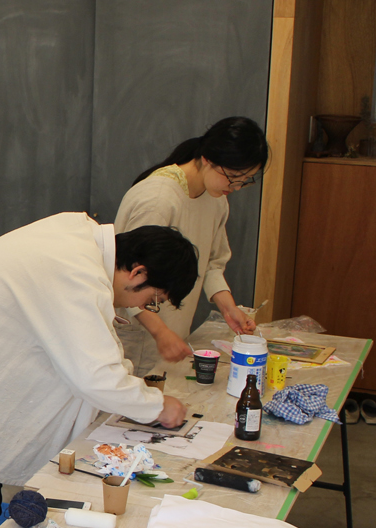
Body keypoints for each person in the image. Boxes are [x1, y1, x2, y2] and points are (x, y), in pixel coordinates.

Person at [0, 216, 199, 528]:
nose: (141, 307)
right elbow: (96, 376)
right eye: (153, 300)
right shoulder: (77, 271)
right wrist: (158, 406)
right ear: (137, 272)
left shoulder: (77, 239)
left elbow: (93, 350)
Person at [114, 116, 270, 374]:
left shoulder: (216, 198)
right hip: (140, 336)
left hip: (171, 334)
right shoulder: (158, 199)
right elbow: (128, 277)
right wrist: (161, 332)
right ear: (207, 159)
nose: (236, 187)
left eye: (246, 180)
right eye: (233, 177)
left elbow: (211, 263)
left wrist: (229, 308)